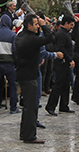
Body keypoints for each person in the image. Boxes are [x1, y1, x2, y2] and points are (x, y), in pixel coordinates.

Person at [15, 13, 58, 143]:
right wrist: (45, 26)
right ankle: (29, 135)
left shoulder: (21, 36)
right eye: (35, 24)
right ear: (29, 26)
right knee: (31, 106)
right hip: (30, 75)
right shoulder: (31, 39)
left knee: (28, 105)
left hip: (23, 73)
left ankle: (24, 132)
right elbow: (49, 38)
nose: (38, 26)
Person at [46, 15, 76, 115]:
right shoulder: (61, 34)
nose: (72, 27)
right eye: (71, 24)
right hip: (61, 62)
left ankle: (64, 105)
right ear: (66, 23)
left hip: (66, 63)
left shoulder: (66, 33)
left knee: (66, 85)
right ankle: (51, 106)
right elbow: (61, 48)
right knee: (58, 85)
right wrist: (69, 59)